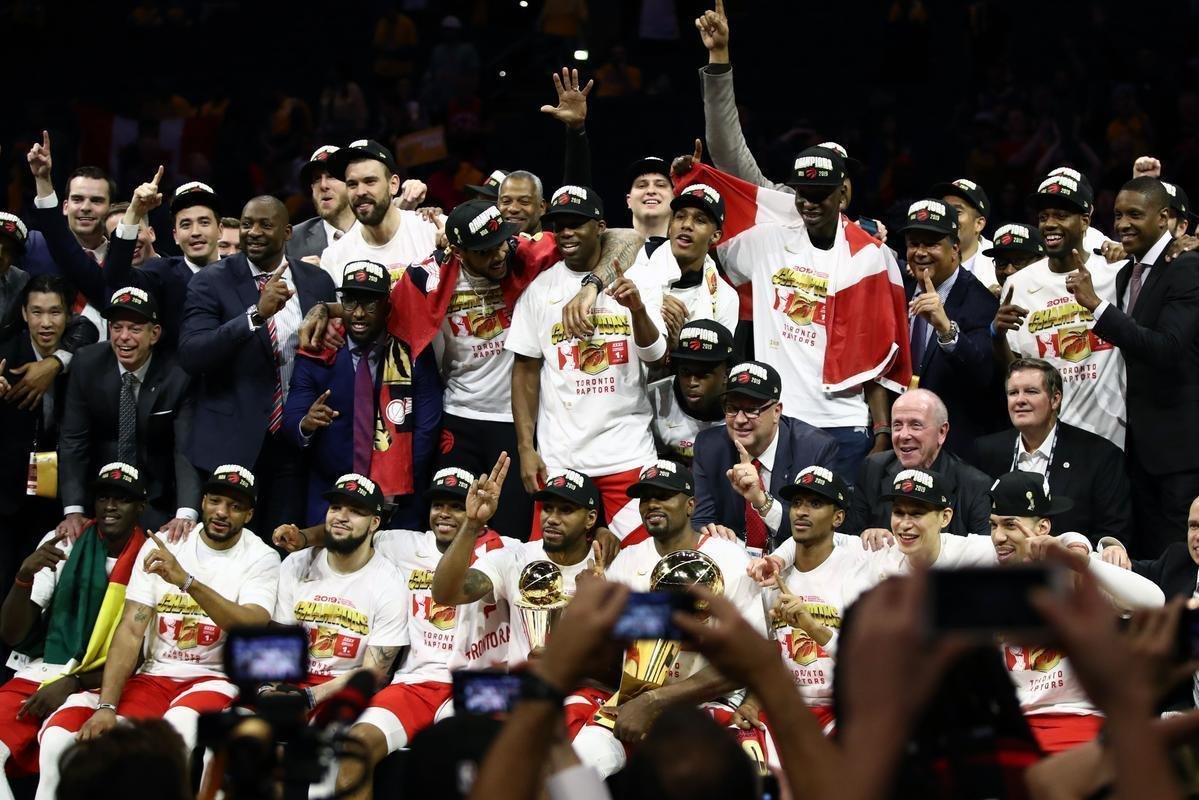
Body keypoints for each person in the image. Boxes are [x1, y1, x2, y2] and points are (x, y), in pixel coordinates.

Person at [36, 464, 279, 800]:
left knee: (177, 727)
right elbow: (131, 630)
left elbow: (252, 625)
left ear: (249, 515)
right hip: (153, 675)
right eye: (215, 501)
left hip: (212, 676)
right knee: (61, 736)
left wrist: (187, 582)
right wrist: (106, 705)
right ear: (203, 501)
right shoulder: (166, 543)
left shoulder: (261, 557)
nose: (222, 513)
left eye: (235, 507)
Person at [682, 146, 910, 482]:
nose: (809, 204)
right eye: (803, 194)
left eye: (819, 195)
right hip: (778, 422)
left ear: (842, 195)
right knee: (774, 524)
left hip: (843, 423)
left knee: (838, 531)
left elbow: (875, 357)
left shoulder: (868, 258)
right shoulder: (766, 242)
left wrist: (882, 433)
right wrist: (690, 181)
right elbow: (701, 238)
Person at [326, 462, 520, 800]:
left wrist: (603, 536)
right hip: (415, 682)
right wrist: (304, 536)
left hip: (477, 684)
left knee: (468, 768)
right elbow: (348, 531)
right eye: (438, 504)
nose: (444, 513)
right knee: (354, 750)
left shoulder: (509, 551)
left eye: (456, 506)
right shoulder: (403, 545)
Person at [573, 459, 766, 778]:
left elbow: (749, 660)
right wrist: (591, 612)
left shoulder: (730, 559)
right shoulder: (628, 560)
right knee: (573, 774)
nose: (652, 504)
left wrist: (656, 701)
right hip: (633, 702)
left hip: (709, 702)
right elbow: (611, 660)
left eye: (663, 496)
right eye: (646, 497)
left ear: (691, 505)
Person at [506, 185, 667, 544]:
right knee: (551, 572)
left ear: (600, 228)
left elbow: (656, 358)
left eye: (576, 223)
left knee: (640, 565)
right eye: (559, 225)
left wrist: (638, 310)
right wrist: (525, 448)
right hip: (562, 458)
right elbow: (525, 372)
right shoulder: (539, 291)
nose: (565, 232)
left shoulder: (639, 280)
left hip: (626, 453)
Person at [178, 195, 337, 538]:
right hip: (230, 441)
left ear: (288, 232)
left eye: (266, 225)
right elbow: (192, 354)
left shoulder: (316, 281)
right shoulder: (210, 281)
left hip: (293, 441)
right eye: (247, 224)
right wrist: (254, 316)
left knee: (281, 543)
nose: (254, 232)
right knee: (224, 550)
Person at [1066, 176, 1199, 557]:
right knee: (1152, 556)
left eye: (1135, 215)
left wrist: (1096, 306)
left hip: (1182, 450)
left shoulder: (1186, 267)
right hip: (1138, 448)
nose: (1123, 223)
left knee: (1180, 558)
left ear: (1164, 218)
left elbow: (1167, 348)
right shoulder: (1128, 273)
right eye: (1118, 214)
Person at [986, 471, 1163, 753]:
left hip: (1081, 718)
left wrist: (1075, 558)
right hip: (1017, 726)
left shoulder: (1078, 570)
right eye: (993, 525)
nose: (998, 536)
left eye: (1010, 525)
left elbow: (1154, 602)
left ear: (1043, 527)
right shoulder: (989, 577)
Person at [0, 465, 148, 796]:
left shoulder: (151, 558)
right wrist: (23, 578)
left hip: (109, 684)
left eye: (122, 499)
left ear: (141, 506)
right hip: (45, 668)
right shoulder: (64, 543)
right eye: (103, 497)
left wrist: (74, 682)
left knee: (63, 751)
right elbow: (12, 634)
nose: (110, 506)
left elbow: (141, 653)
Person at [283, 260, 441, 528]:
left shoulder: (412, 350)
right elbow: (292, 420)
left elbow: (428, 425)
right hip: (330, 493)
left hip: (399, 496)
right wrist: (307, 423)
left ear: (386, 306)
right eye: (350, 302)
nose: (357, 314)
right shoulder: (317, 351)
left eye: (369, 304)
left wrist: (397, 478)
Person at [993, 171, 1127, 448]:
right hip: (1045, 438)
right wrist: (996, 337)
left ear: (1085, 221)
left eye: (1060, 215)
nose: (1049, 224)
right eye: (1043, 217)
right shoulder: (1018, 284)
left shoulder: (1116, 273)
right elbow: (1016, 370)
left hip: (1112, 433)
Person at [58, 287, 199, 540]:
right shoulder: (87, 363)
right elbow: (73, 440)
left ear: (154, 334)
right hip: (99, 498)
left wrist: (186, 513)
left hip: (156, 499)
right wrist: (73, 510)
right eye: (116, 327)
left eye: (134, 329)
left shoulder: (178, 373)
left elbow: (185, 448)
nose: (123, 337)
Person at [431, 461, 602, 669]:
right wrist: (472, 524)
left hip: (582, 691)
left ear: (590, 518)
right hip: (522, 691)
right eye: (547, 508)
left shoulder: (605, 566)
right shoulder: (515, 558)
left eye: (566, 510)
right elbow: (445, 594)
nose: (552, 519)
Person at [270, 473, 409, 710]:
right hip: (291, 683)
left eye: (355, 511)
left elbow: (372, 674)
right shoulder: (297, 563)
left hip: (344, 693)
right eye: (335, 507)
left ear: (374, 523)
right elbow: (277, 644)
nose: (341, 517)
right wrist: (268, 689)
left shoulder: (390, 581)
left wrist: (308, 698)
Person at [972, 359, 1132, 546]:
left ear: (1055, 399)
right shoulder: (985, 452)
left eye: (1031, 391)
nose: (1020, 400)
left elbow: (1113, 532)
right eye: (1013, 393)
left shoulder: (1100, 456)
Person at [764, 466, 872, 733]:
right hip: (785, 708)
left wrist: (811, 627)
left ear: (838, 518)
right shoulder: (771, 576)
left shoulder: (860, 569)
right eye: (797, 503)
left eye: (815, 504)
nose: (801, 511)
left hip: (843, 709)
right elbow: (765, 653)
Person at [692, 360, 838, 554]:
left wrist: (761, 501)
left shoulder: (815, 449)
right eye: (732, 408)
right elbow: (701, 520)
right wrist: (711, 533)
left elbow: (820, 530)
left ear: (776, 411)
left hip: (793, 561)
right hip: (734, 560)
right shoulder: (709, 446)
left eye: (752, 409)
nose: (740, 420)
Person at [900, 198, 1002, 452]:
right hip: (901, 441)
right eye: (914, 244)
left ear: (955, 248)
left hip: (955, 448)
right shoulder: (899, 290)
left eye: (932, 243)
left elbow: (985, 375)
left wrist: (946, 329)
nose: (921, 252)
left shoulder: (981, 302)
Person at [0, 276, 82, 590]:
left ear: (68, 315)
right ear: (23, 314)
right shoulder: (5, 355)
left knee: (42, 583)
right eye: (37, 312)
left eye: (55, 312)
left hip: (52, 489)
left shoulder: (78, 356)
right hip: (5, 495)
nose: (46, 323)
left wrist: (56, 362)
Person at [102, 174, 224, 353]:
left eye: (204, 222)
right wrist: (135, 212)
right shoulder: (161, 273)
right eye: (185, 225)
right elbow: (116, 277)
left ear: (220, 230)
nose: (195, 232)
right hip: (177, 379)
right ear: (175, 236)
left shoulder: (240, 270)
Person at [847, 388, 992, 537]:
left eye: (915, 425)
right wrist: (867, 535)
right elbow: (850, 536)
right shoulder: (873, 468)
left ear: (942, 432)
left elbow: (983, 552)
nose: (903, 435)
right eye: (897, 425)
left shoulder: (975, 485)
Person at [631, 182, 739, 348]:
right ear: (669, 228)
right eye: (680, 216)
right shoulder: (635, 260)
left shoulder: (725, 298)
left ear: (715, 236)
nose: (687, 225)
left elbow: (715, 366)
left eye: (700, 220)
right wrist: (652, 300)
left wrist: (681, 342)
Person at [319, 139, 441, 284]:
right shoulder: (333, 258)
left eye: (370, 181)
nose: (360, 192)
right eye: (352, 184)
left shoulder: (433, 231)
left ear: (393, 185)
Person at [649, 320, 732, 465]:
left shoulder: (745, 408)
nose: (692, 382)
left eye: (703, 374)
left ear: (726, 375)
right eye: (685, 372)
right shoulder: (654, 398)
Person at [287, 145, 356, 262]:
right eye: (316, 179)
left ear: (350, 183)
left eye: (331, 176)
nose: (323, 185)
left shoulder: (378, 229)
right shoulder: (292, 241)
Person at [930, 178, 999, 293]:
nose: (947, 218)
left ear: (979, 224)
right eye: (944, 210)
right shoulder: (921, 258)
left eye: (957, 212)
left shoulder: (999, 266)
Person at [1130, 495, 1199, 599]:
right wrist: (1114, 550)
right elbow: (1131, 570)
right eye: (1194, 526)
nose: (1198, 536)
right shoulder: (1177, 559)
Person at [981, 222, 1046, 289]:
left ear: (1042, 261)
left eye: (1019, 261)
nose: (1008, 271)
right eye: (1001, 262)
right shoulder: (989, 297)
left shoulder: (1055, 294)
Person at [625, 156, 674, 240]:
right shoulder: (603, 247)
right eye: (642, 185)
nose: (651, 191)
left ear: (674, 197)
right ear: (629, 200)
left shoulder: (693, 250)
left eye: (660, 185)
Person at [497, 171, 548, 235]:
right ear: (498, 205)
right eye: (506, 201)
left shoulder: (557, 243)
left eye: (524, 201)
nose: (513, 209)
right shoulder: (485, 243)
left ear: (542, 207)